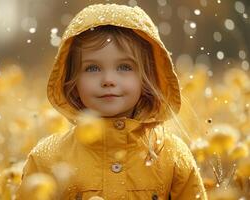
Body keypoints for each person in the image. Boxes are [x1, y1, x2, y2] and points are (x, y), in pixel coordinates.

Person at [16, 3, 208, 200]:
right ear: (72, 81)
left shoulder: (172, 156)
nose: (108, 80)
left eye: (124, 67)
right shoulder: (47, 159)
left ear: (147, 77)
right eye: (92, 68)